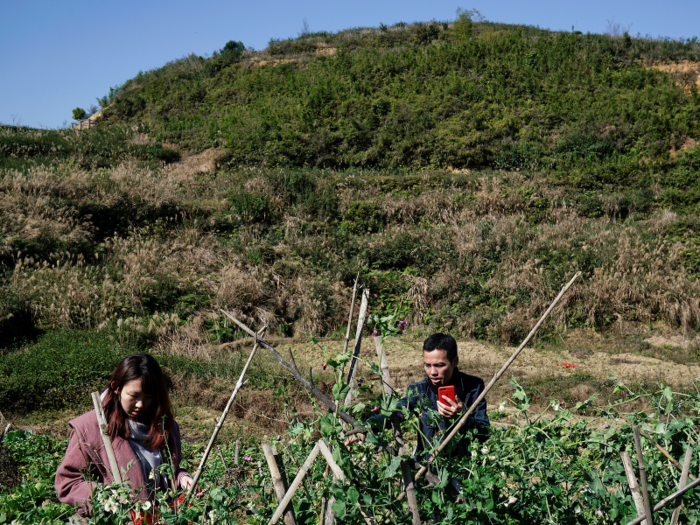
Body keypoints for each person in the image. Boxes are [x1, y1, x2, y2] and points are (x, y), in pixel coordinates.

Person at [55, 353, 194, 518]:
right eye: (134, 396)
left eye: (148, 397)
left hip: (161, 519)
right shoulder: (90, 428)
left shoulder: (164, 426)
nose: (141, 404)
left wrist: (182, 478)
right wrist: (105, 495)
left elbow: (167, 473)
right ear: (116, 387)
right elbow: (67, 483)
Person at [346, 333, 489, 460]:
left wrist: (462, 415)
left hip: (465, 469)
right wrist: (367, 428)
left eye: (440, 365)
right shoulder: (419, 391)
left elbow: (484, 431)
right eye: (427, 365)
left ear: (455, 362)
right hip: (428, 468)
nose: (432, 372)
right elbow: (396, 413)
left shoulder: (473, 387)